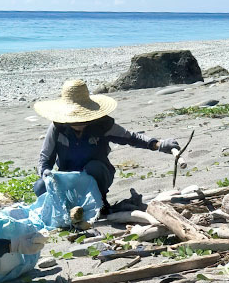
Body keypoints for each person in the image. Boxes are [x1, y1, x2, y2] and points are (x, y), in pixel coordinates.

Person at [33, 79, 180, 210]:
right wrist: (45, 173)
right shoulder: (57, 128)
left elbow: (130, 137)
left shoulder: (102, 125)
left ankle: (101, 202)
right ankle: (64, 208)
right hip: (68, 179)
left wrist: (157, 144)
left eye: (82, 119)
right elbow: (45, 159)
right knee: (40, 186)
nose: (78, 124)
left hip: (98, 175)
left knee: (93, 167)